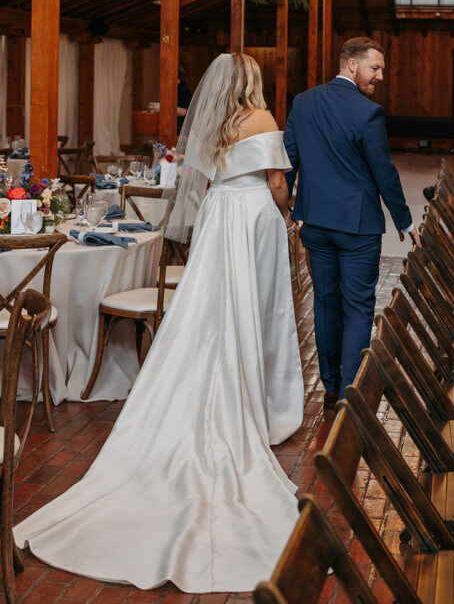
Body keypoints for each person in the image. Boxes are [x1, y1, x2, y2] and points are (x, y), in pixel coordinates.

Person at [15, 54, 304, 594]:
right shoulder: (262, 120)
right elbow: (277, 185)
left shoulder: (213, 122)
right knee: (256, 307)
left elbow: (193, 183)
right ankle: (261, 404)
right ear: (252, 85)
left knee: (213, 309)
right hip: (253, 219)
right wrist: (287, 215)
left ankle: (209, 385)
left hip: (220, 219)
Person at [284, 36, 419, 407]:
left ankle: (329, 384)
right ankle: (350, 391)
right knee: (358, 305)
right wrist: (404, 220)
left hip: (315, 222)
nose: (379, 78)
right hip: (357, 226)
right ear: (352, 65)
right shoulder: (367, 112)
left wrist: (290, 211)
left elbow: (289, 161)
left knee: (325, 301)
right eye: (375, 69)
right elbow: (384, 172)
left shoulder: (303, 102)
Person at [176, 64, 192, 135]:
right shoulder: (177, 89)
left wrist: (164, 108)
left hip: (181, 128)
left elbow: (185, 111)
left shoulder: (183, 90)